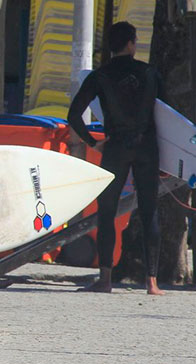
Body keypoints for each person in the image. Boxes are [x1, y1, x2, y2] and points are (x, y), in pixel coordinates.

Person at [67, 21, 164, 296]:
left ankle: (106, 279)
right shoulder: (150, 73)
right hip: (147, 147)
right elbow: (168, 117)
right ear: (132, 44)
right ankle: (152, 282)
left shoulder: (100, 76)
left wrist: (93, 142)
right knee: (149, 212)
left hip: (115, 148)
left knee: (107, 212)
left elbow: (74, 114)